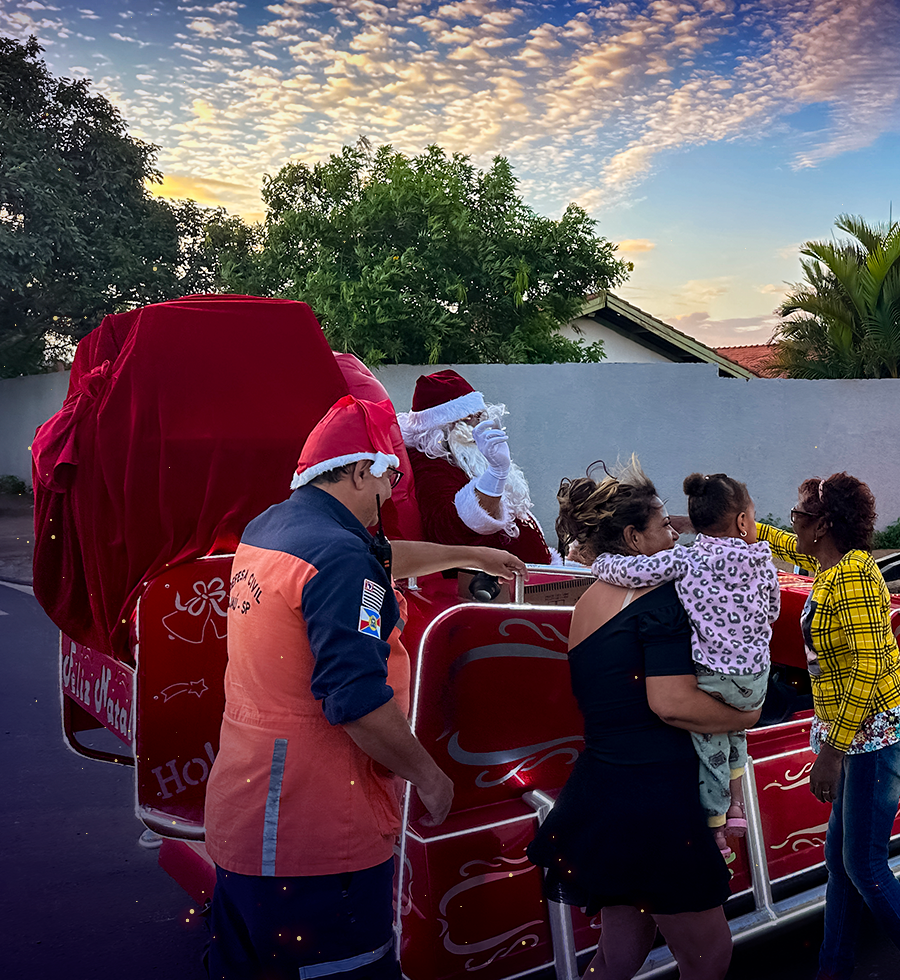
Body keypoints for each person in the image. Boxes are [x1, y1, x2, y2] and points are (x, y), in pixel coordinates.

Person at [204, 394, 525, 980]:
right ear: (358, 469)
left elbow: (379, 559)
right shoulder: (339, 558)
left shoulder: (276, 525)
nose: (388, 497)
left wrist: (468, 553)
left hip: (246, 807)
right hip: (315, 827)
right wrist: (429, 776)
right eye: (388, 478)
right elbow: (355, 699)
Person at [528, 461, 757, 980]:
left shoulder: (587, 602)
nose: (674, 531)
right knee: (709, 956)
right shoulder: (658, 602)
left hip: (604, 790)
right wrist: (746, 712)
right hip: (655, 800)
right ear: (633, 538)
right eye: (662, 525)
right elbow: (671, 704)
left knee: (619, 955)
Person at [756, 473, 900, 980]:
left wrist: (831, 753)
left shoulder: (856, 578)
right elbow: (783, 544)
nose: (791, 522)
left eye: (798, 515)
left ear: (822, 525)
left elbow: (866, 670)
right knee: (843, 864)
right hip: (859, 734)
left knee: (864, 867)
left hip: (877, 735)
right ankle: (833, 969)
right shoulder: (829, 565)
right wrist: (725, 526)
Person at [590, 472, 779, 864]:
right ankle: (740, 805)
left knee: (709, 743)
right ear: (744, 522)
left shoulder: (686, 558)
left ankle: (716, 828)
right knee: (735, 732)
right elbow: (773, 610)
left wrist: (600, 560)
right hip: (756, 679)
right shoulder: (762, 559)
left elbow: (629, 572)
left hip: (712, 676)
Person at [396, 370, 552, 575]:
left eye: (481, 416)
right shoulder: (430, 465)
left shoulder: (462, 458)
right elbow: (450, 529)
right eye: (471, 419)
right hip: (489, 588)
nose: (479, 427)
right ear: (442, 427)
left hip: (521, 581)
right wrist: (496, 473)